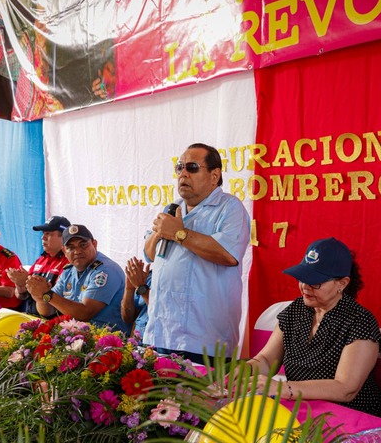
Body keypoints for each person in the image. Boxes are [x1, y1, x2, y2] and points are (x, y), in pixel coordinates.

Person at [243, 238, 381, 415]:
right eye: (302, 278)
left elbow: (345, 388)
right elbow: (266, 359)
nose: (304, 287)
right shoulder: (296, 310)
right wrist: (245, 372)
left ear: (342, 283)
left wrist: (283, 389)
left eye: (315, 282)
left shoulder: (359, 321)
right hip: (300, 409)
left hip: (346, 418)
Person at [143, 143, 250, 364]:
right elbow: (150, 254)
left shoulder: (229, 207)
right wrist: (162, 232)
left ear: (214, 175)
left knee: (197, 400)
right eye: (179, 167)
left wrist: (179, 233)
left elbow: (228, 255)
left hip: (204, 340)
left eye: (192, 167)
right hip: (161, 332)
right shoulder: (171, 209)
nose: (183, 174)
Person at [26, 224, 128, 331]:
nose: (78, 251)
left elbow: (85, 313)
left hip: (110, 339)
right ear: (64, 251)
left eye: (83, 245)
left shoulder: (105, 270)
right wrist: (40, 296)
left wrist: (47, 294)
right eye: (71, 247)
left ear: (94, 244)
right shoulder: (68, 270)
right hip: (79, 337)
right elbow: (48, 311)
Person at [7, 216, 70, 317]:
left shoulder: (69, 262)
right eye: (43, 233)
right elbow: (21, 296)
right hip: (30, 317)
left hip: (53, 321)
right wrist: (19, 284)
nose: (43, 237)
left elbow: (60, 297)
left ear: (63, 237)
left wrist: (27, 280)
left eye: (48, 234)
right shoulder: (41, 259)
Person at [121, 257, 151, 338]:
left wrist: (141, 287)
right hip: (138, 342)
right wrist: (129, 289)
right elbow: (128, 318)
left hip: (157, 345)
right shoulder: (149, 277)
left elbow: (162, 312)